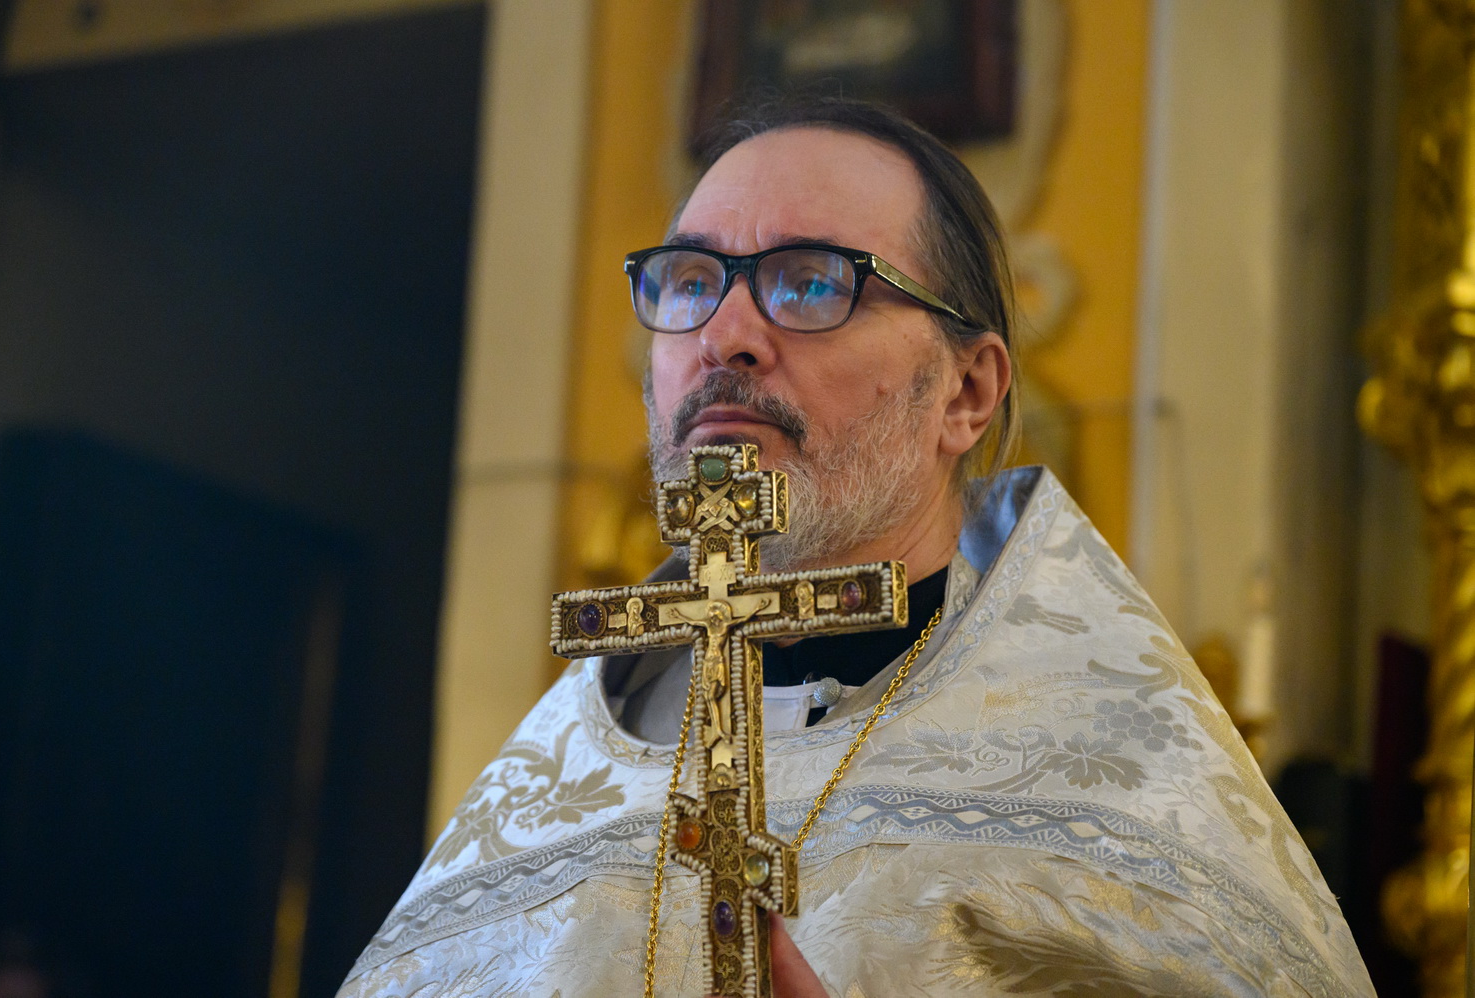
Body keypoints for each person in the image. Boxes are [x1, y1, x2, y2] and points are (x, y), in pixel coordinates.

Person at [337, 97, 1373, 997]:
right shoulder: (553, 784)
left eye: (809, 283)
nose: (724, 335)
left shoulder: (1128, 786)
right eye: (689, 281)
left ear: (966, 392)